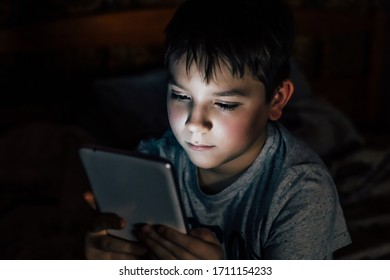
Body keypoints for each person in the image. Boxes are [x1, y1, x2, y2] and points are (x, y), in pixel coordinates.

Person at [84, 0, 351, 259]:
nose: (194, 123)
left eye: (224, 104)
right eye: (182, 96)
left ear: (276, 99)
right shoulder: (152, 161)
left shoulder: (301, 191)